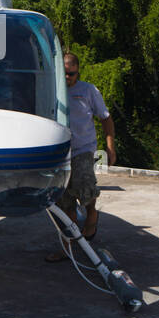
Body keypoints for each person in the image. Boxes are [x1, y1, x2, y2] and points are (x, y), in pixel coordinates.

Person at [47, 52, 115, 262]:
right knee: (63, 202)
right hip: (60, 152)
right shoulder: (52, 90)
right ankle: (67, 247)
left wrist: (110, 147)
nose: (68, 78)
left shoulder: (88, 90)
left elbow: (106, 118)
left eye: (72, 74)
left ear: (78, 72)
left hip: (83, 149)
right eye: (64, 74)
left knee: (85, 188)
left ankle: (92, 215)